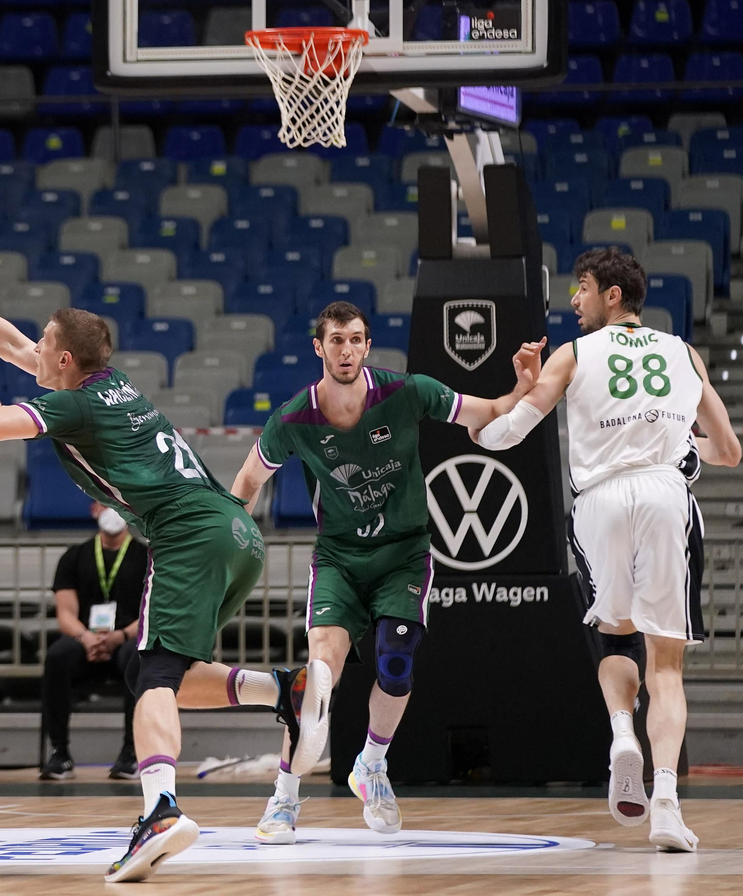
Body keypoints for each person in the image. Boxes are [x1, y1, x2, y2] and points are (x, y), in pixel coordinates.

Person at [0, 299, 304, 883]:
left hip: (187, 534)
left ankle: (161, 810)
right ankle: (283, 690)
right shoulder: (110, 383)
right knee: (166, 675)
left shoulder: (75, 405)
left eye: (46, 342)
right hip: (237, 533)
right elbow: (15, 344)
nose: (35, 347)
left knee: (154, 677)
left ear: (65, 360)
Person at [229, 301, 543, 844]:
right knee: (320, 673)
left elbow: (489, 412)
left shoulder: (407, 392)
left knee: (395, 664)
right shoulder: (294, 418)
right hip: (339, 559)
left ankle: (372, 763)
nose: (346, 350)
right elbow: (248, 481)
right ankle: (284, 796)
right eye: (336, 340)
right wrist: (233, 545)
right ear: (319, 348)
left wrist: (522, 388)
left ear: (367, 346)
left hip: (403, 554)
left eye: (355, 339)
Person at [472, 248, 740, 852]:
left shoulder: (573, 354)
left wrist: (492, 413)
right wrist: (681, 444)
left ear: (612, 296)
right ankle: (665, 802)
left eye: (583, 287)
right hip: (667, 495)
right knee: (665, 663)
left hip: (601, 501)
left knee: (616, 639)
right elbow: (728, 450)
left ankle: (622, 733)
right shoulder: (684, 353)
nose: (574, 299)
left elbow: (507, 434)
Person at [40, 501, 148, 781]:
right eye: (104, 502)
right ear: (93, 510)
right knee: (57, 656)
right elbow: (65, 614)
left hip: (127, 639)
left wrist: (120, 636)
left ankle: (131, 752)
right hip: (85, 641)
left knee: (139, 657)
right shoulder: (74, 557)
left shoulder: (148, 557)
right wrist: (86, 637)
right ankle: (60, 752)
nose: (111, 510)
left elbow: (152, 612)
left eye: (118, 503)